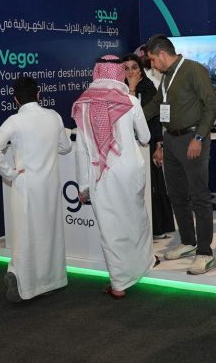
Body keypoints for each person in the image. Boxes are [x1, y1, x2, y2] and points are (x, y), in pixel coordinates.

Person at [73, 56, 157, 299]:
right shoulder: (130, 101)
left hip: (102, 175)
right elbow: (145, 137)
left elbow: (81, 150)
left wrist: (83, 186)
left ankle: (119, 283)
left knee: (111, 227)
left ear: (97, 73)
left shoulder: (84, 104)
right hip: (130, 170)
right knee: (135, 218)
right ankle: (144, 264)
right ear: (119, 74)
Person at [0, 76, 72, 302]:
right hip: (50, 186)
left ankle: (25, 284)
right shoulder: (54, 116)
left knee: (26, 235)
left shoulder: (15, 121)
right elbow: (66, 147)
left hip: (26, 185)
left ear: (15, 99)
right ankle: (51, 281)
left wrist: (9, 173)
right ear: (39, 94)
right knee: (49, 232)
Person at [143, 34, 216, 275]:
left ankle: (205, 253)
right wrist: (130, 118)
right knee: (176, 195)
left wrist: (199, 137)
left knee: (199, 197)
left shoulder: (193, 70)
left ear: (162, 54)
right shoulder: (166, 76)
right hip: (171, 140)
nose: (152, 65)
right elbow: (157, 105)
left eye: (152, 60)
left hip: (192, 139)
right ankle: (188, 241)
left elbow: (211, 105)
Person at [122, 53, 175, 239]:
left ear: (140, 69)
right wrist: (130, 89)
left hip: (148, 143)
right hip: (126, 145)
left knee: (152, 185)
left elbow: (156, 120)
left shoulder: (149, 88)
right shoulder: (119, 90)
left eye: (134, 68)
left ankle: (157, 228)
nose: (130, 72)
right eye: (126, 68)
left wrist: (160, 146)